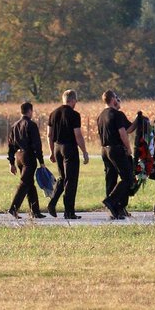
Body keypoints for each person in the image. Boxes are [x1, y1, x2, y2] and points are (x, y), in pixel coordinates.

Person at [46, 90, 89, 219]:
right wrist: (84, 151)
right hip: (69, 148)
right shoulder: (74, 115)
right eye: (76, 101)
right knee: (71, 180)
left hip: (57, 148)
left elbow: (49, 135)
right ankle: (69, 211)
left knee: (62, 177)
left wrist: (51, 151)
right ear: (73, 100)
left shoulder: (53, 114)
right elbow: (78, 135)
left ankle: (52, 203)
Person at [96, 89, 134, 219]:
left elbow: (129, 128)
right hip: (116, 149)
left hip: (104, 150)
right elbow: (123, 133)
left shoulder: (101, 115)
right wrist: (128, 148)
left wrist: (138, 120)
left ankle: (115, 209)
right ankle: (112, 201)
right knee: (128, 178)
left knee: (111, 178)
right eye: (117, 98)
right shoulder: (117, 114)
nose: (119, 101)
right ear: (113, 100)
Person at [6, 101, 46, 219]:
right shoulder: (31, 125)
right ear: (30, 111)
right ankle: (13, 208)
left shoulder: (14, 126)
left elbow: (10, 145)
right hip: (28, 156)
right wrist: (41, 161)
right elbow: (37, 145)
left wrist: (11, 162)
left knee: (30, 184)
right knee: (24, 183)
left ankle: (35, 211)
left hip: (19, 157)